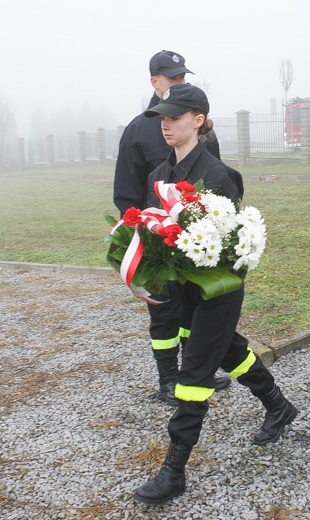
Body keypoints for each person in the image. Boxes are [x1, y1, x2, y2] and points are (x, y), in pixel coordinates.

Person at [133, 84, 297, 505]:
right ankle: (279, 406)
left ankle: (174, 469)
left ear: (199, 120)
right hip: (182, 291)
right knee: (228, 351)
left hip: (218, 290)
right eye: (162, 118)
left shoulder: (218, 176)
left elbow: (225, 247)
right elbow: (154, 238)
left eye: (175, 116)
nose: (166, 124)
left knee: (195, 373)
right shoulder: (158, 177)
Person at [113, 50, 229, 406]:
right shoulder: (139, 129)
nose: (179, 82)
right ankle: (167, 379)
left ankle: (194, 371)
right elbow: (125, 192)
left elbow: (215, 183)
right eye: (171, 78)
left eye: (182, 77)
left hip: (193, 242)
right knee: (164, 313)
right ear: (154, 82)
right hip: (157, 242)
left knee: (194, 309)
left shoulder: (197, 124)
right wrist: (146, 234)